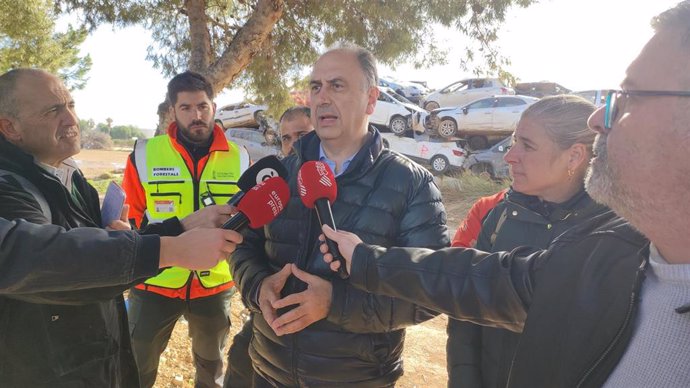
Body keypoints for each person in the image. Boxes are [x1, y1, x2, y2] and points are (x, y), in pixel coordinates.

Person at [320, 3, 690, 386]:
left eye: (628, 97)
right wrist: (364, 259)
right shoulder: (609, 251)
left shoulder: (600, 236)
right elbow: (478, 282)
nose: (598, 119)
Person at [0, 68, 243, 387]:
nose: (71, 119)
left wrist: (179, 228)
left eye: (70, 105)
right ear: (10, 127)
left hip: (199, 293)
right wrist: (168, 249)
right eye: (53, 110)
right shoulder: (9, 186)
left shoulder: (69, 175)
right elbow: (36, 258)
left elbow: (88, 246)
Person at [229, 44, 449, 387]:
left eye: (337, 85)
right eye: (316, 87)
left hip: (357, 379)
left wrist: (336, 302)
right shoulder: (277, 174)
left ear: (371, 99)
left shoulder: (412, 184)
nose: (322, 98)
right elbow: (243, 246)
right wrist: (257, 287)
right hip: (268, 372)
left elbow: (430, 291)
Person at [447, 96, 609, 388]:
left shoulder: (612, 233)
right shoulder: (500, 216)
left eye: (527, 145)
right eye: (514, 142)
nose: (510, 156)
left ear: (574, 156)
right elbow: (466, 312)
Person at [122, 71, 250, 388]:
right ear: (173, 111)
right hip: (154, 282)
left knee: (211, 369)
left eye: (203, 106)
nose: (197, 116)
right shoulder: (143, 155)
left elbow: (250, 221)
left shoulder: (241, 158)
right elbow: (130, 221)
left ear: (214, 106)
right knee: (135, 368)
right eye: (187, 108)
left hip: (215, 286)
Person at [223, 105, 314, 388]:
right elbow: (241, 247)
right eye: (286, 138)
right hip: (266, 323)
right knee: (238, 364)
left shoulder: (333, 184)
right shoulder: (270, 184)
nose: (293, 144)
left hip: (324, 344)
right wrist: (257, 286)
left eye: (302, 135)